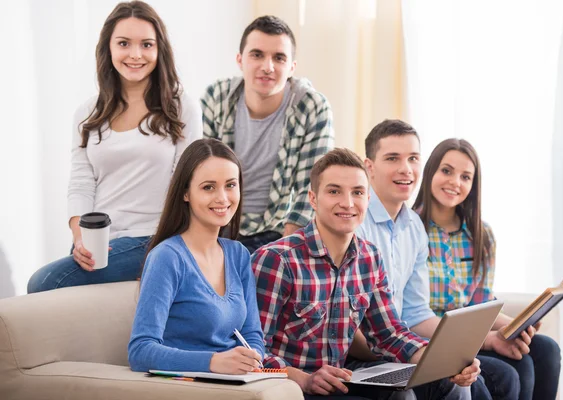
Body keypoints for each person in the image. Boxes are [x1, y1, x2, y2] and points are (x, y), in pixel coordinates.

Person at [252, 148, 480, 400]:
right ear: (313, 199)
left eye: (357, 192)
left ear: (368, 199)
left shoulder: (370, 257)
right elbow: (252, 350)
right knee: (403, 397)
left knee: (452, 383)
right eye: (334, 191)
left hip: (343, 376)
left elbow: (388, 334)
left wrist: (445, 360)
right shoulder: (277, 259)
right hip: (293, 385)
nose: (348, 203)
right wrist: (303, 379)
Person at [27, 1, 202, 293]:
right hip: (97, 237)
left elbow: (187, 184)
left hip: (154, 238)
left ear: (160, 50)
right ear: (109, 48)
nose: (135, 54)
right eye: (124, 43)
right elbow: (81, 184)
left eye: (146, 44)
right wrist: (79, 238)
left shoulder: (181, 106)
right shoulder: (87, 113)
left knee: (43, 283)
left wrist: (165, 248)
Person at [350, 120, 518, 400]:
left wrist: (434, 353)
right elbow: (351, 328)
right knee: (465, 383)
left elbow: (416, 313)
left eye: (413, 158)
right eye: (393, 158)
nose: (406, 169)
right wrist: (415, 352)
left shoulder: (413, 227)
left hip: (398, 346)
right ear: (369, 167)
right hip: (366, 353)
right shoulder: (357, 223)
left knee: (470, 378)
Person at [413, 138, 561, 400]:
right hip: (432, 339)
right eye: (446, 171)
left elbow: (479, 304)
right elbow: (413, 315)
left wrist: (517, 324)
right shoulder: (411, 229)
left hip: (471, 333)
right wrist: (492, 338)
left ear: (473, 185)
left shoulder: (482, 236)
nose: (455, 182)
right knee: (517, 369)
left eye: (465, 176)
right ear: (430, 172)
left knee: (546, 349)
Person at [128, 138, 263, 374]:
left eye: (230, 185)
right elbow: (140, 351)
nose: (222, 198)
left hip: (237, 383)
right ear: (185, 193)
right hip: (188, 386)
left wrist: (251, 360)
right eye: (208, 187)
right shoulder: (167, 257)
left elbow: (252, 335)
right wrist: (212, 362)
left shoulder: (238, 254)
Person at [201, 15, 334, 253]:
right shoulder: (216, 97)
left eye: (279, 57)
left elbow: (311, 188)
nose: (268, 67)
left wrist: (284, 252)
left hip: (278, 231)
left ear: (292, 67)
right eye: (257, 55)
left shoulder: (312, 107)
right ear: (240, 60)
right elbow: (197, 173)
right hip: (217, 223)